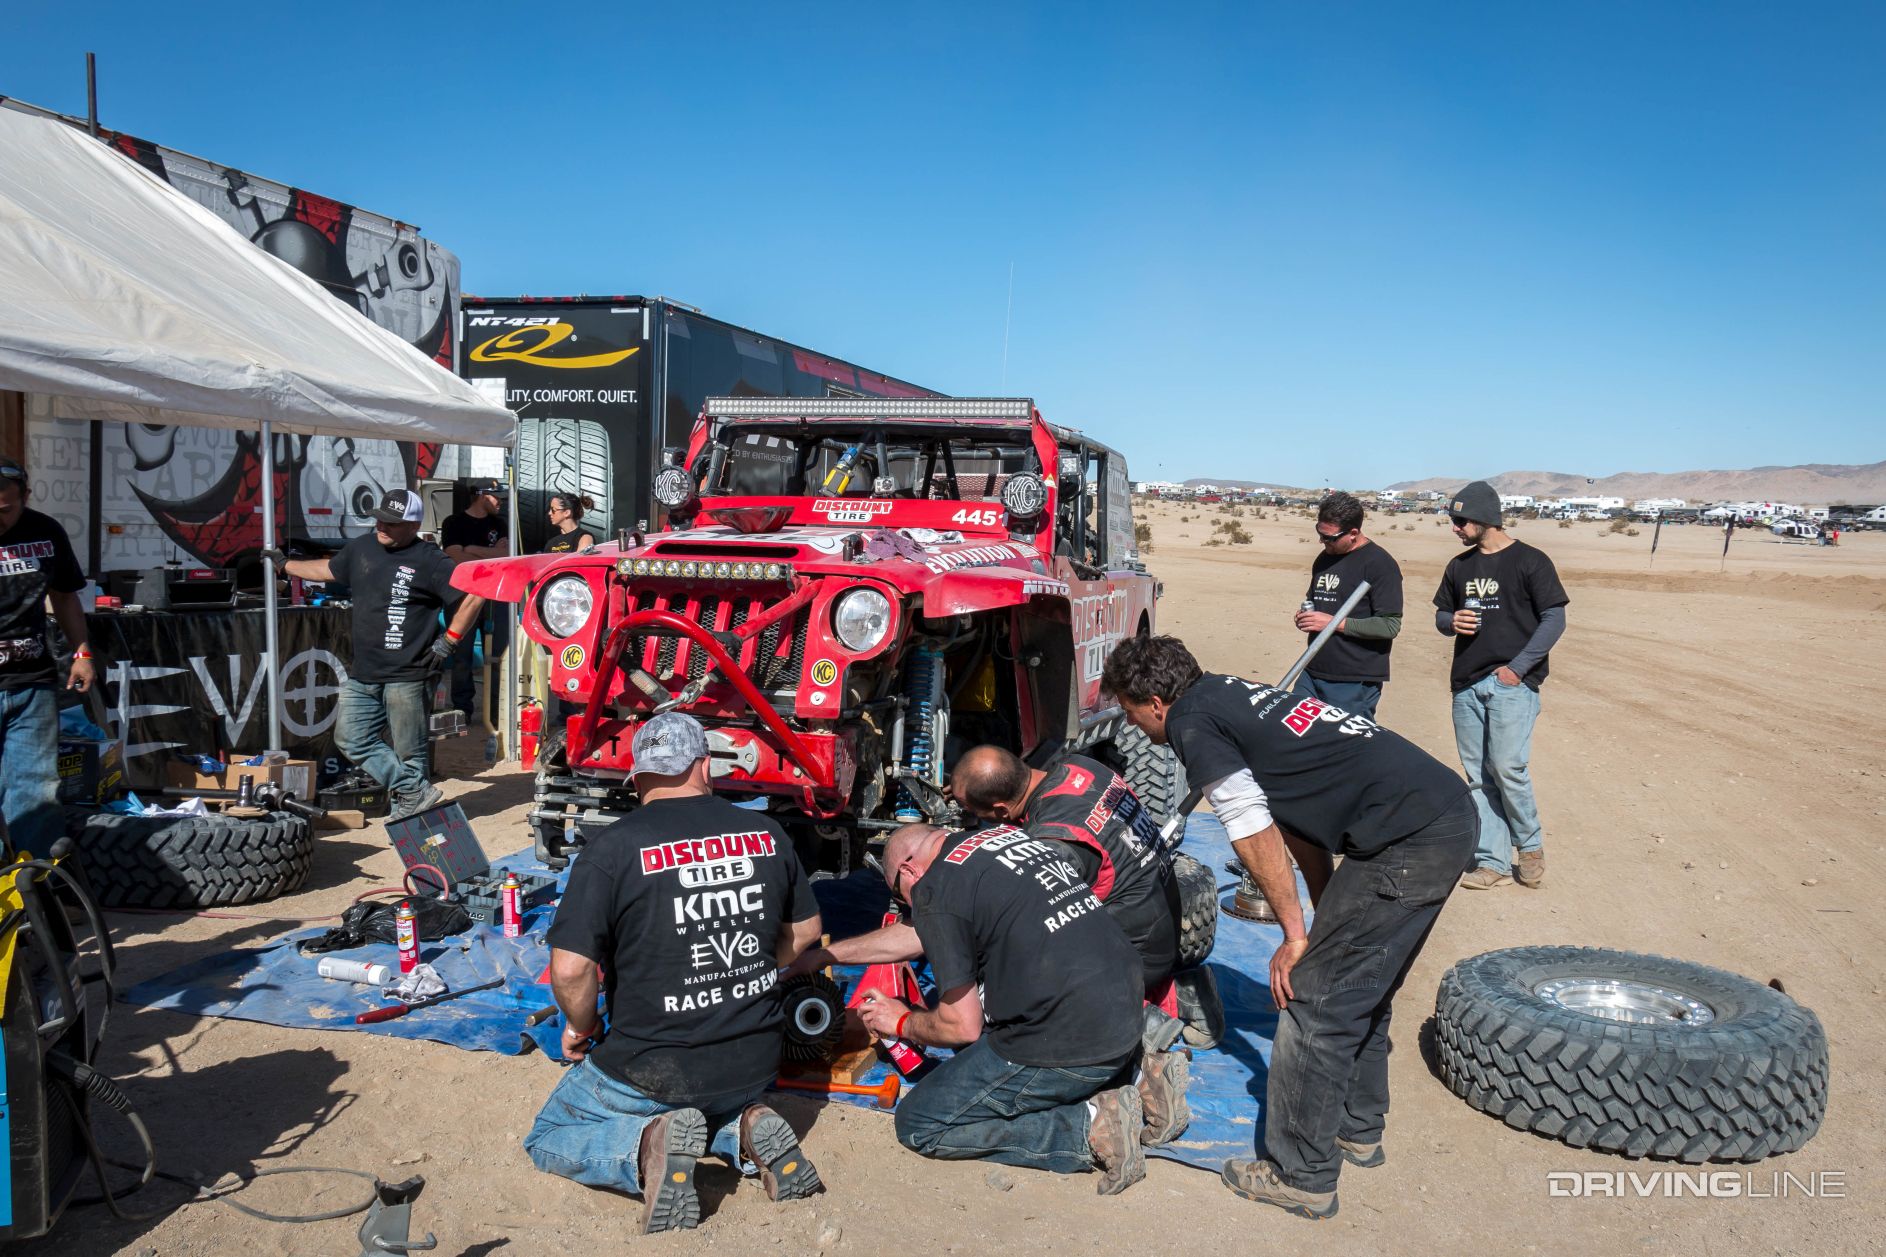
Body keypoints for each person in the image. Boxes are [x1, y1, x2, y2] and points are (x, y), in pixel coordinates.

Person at [1101, 634, 1476, 1220]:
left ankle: (1300, 1174)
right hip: (1435, 813)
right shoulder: (1225, 693)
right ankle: (1355, 1127)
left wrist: (1296, 937)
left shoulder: (1190, 724)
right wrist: (1322, 913)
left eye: (1128, 712)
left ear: (1153, 701)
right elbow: (1294, 814)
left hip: (1408, 838)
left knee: (1314, 1003)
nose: (1134, 725)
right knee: (1358, 987)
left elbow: (1251, 827)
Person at [523, 713, 824, 1234]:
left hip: (653, 1070)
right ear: (705, 765)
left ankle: (643, 1148)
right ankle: (742, 1130)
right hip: (753, 1062)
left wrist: (581, 1026)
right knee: (703, 1111)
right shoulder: (767, 834)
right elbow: (805, 932)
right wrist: (747, 967)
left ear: (637, 777)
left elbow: (571, 970)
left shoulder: (612, 849)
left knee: (548, 1135)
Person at [855, 822, 1157, 1195]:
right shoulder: (996, 838)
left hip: (1077, 1044)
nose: (911, 908)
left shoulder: (935, 888)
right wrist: (826, 954)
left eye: (904, 898)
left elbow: (962, 1026)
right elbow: (913, 936)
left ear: (908, 871)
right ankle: (1144, 1075)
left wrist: (901, 1021)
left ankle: (1092, 1128)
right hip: (1125, 1014)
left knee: (920, 1122)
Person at [275, 489, 483, 820]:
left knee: (410, 753)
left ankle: (411, 824)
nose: (382, 525)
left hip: (410, 673)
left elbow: (474, 594)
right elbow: (328, 569)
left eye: (393, 522)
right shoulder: (361, 548)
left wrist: (450, 640)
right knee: (350, 737)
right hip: (365, 671)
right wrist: (286, 565)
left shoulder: (430, 559)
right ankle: (414, 793)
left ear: (414, 524)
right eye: (380, 518)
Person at [1432, 480, 1570, 891]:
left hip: (1512, 684)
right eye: (1452, 520)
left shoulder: (1531, 561)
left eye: (1460, 520)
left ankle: (1529, 846)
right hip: (1467, 684)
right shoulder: (1460, 566)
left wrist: (1518, 668)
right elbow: (1441, 614)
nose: (1455, 528)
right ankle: (1491, 862)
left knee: (1508, 768)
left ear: (1484, 518)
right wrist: (1450, 622)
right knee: (1477, 776)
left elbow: (1554, 619)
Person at [0, 460, 94, 854]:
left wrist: (82, 652)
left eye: (5, 508)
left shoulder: (46, 531)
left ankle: (37, 897)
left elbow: (65, 595)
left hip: (33, 685)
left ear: (25, 496)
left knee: (36, 791)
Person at [1293, 491, 1402, 719]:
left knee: (1344, 748)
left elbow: (1389, 625)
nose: (1322, 541)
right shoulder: (1324, 558)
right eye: (1320, 533)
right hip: (1312, 669)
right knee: (1295, 735)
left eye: (1330, 537)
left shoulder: (1379, 564)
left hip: (1353, 679)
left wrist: (1333, 624)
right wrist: (1305, 616)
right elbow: (1316, 600)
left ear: (1353, 533)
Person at [440, 480, 510, 721]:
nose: (500, 501)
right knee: (462, 654)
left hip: (495, 595)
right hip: (462, 594)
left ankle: (496, 710)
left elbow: (505, 555)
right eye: (496, 496)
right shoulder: (454, 522)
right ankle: (462, 708)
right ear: (481, 495)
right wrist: (483, 553)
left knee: (500, 654)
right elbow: (455, 555)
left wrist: (471, 548)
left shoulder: (499, 523)